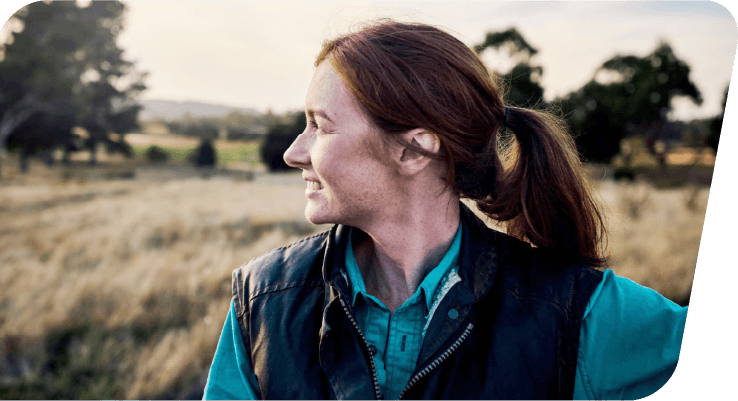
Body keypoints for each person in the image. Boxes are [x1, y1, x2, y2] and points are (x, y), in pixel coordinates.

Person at [203, 20, 688, 400]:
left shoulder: (575, 312)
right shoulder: (264, 301)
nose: (294, 152)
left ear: (415, 151)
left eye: (319, 126)